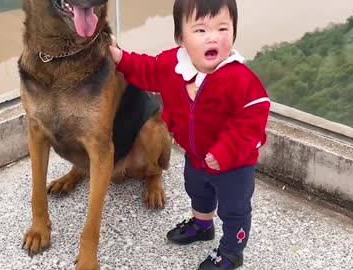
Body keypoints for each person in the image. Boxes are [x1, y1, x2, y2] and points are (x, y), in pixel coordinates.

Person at [109, 0, 271, 269]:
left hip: (234, 165)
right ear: (180, 38)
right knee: (197, 191)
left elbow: (252, 120)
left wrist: (224, 153)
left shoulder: (240, 80)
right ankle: (202, 225)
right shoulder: (173, 64)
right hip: (195, 156)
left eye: (223, 28)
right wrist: (120, 58)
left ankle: (232, 251)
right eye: (200, 30)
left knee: (234, 209)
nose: (213, 37)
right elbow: (147, 70)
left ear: (233, 32)